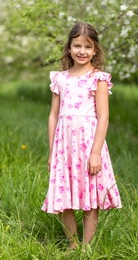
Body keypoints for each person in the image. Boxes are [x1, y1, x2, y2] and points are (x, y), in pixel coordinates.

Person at [41, 22, 122, 250]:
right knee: (64, 195)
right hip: (64, 145)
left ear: (95, 50)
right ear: (69, 48)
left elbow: (103, 117)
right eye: (77, 45)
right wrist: (52, 151)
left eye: (87, 47)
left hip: (88, 144)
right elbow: (53, 116)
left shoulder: (98, 78)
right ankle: (72, 245)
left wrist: (95, 153)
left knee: (89, 196)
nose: (82, 51)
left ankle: (87, 247)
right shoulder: (61, 78)